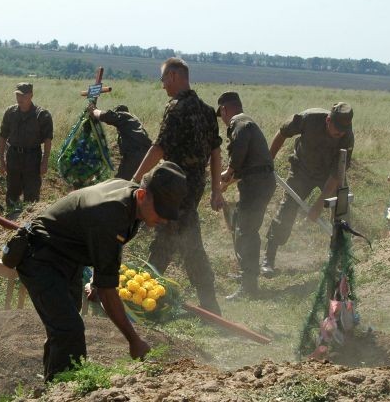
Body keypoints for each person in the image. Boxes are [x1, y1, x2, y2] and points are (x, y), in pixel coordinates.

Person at [14, 162, 188, 381]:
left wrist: (98, 280)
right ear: (143, 195)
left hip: (68, 257)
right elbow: (108, 290)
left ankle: (55, 385)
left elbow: (104, 246)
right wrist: (134, 341)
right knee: (69, 329)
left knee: (64, 328)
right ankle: (65, 389)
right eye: (161, 211)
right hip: (41, 257)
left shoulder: (129, 199)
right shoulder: (111, 214)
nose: (163, 219)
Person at [132, 57, 223, 315]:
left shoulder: (176, 109)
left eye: (163, 79)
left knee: (179, 241)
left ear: (173, 76)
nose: (162, 85)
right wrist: (216, 190)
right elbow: (216, 153)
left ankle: (147, 300)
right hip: (194, 188)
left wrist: (135, 179)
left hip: (172, 188)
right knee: (175, 239)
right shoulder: (207, 111)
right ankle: (203, 304)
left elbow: (159, 148)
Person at [261, 102, 354, 277]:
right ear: (328, 120)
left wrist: (319, 205)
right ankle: (269, 256)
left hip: (329, 174)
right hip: (302, 170)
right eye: (337, 130)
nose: (340, 134)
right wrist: (268, 160)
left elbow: (337, 174)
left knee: (341, 207)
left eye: (343, 130)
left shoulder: (347, 136)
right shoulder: (308, 119)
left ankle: (338, 256)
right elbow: (282, 133)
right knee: (287, 207)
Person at [216, 91, 276, 300]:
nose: (224, 120)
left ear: (225, 109)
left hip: (256, 185)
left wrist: (228, 171)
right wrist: (224, 182)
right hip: (258, 183)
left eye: (222, 115)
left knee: (246, 232)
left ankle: (249, 285)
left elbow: (239, 153)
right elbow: (248, 166)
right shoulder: (247, 123)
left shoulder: (239, 123)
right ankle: (246, 274)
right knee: (241, 226)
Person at [0, 82, 53, 207]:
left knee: (32, 196)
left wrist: (45, 161)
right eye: (17, 95)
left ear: (31, 95)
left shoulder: (42, 115)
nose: (20, 98)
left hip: (32, 158)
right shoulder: (10, 112)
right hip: (13, 156)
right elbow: (2, 136)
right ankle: (11, 216)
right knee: (12, 193)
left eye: (23, 95)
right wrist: (1, 159)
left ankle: (29, 218)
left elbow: (48, 140)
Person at [89, 104, 152, 181]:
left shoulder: (124, 116)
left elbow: (108, 116)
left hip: (135, 153)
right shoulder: (133, 123)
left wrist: (94, 111)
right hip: (146, 154)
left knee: (121, 181)